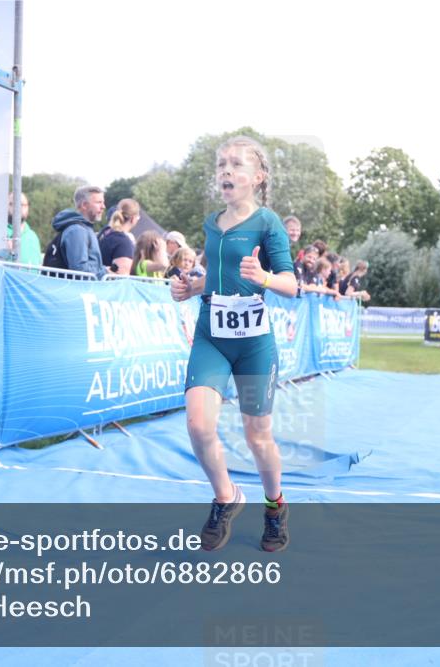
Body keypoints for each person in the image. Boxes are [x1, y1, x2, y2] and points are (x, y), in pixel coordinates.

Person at [170, 135, 297, 552]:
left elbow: (291, 285)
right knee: (198, 424)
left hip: (254, 343)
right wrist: (193, 288)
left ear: (258, 177)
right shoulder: (211, 223)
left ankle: (275, 507)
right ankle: (227, 497)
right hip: (212, 336)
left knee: (258, 436)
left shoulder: (268, 223)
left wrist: (263, 278)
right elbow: (219, 277)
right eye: (222, 164)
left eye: (237, 164)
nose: (226, 170)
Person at [43, 185, 107, 278]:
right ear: (84, 205)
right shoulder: (77, 231)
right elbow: (79, 271)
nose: (103, 207)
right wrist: (105, 272)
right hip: (75, 290)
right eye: (99, 202)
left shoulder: (82, 229)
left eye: (103, 202)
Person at [98, 198, 139, 274]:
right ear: (133, 219)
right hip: (109, 285)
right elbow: (122, 278)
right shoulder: (123, 242)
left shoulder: (104, 233)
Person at [6, 191, 42, 266]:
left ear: (28, 207)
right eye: (13, 203)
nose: (18, 207)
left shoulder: (33, 236)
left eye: (22, 205)